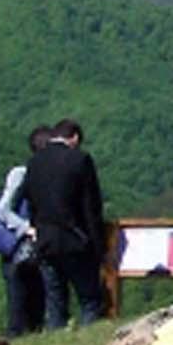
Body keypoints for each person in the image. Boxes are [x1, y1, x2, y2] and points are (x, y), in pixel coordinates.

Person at [24, 116, 108, 327]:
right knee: (89, 299)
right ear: (75, 137)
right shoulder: (80, 160)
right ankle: (90, 343)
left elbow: (32, 202)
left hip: (45, 239)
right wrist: (99, 245)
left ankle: (55, 342)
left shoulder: (34, 163)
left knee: (55, 300)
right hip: (75, 240)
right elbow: (91, 207)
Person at [0, 128, 49, 337]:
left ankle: (28, 339)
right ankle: (15, 340)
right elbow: (3, 209)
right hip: (18, 247)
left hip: (36, 247)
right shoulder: (22, 174)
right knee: (18, 303)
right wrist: (27, 228)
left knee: (37, 302)